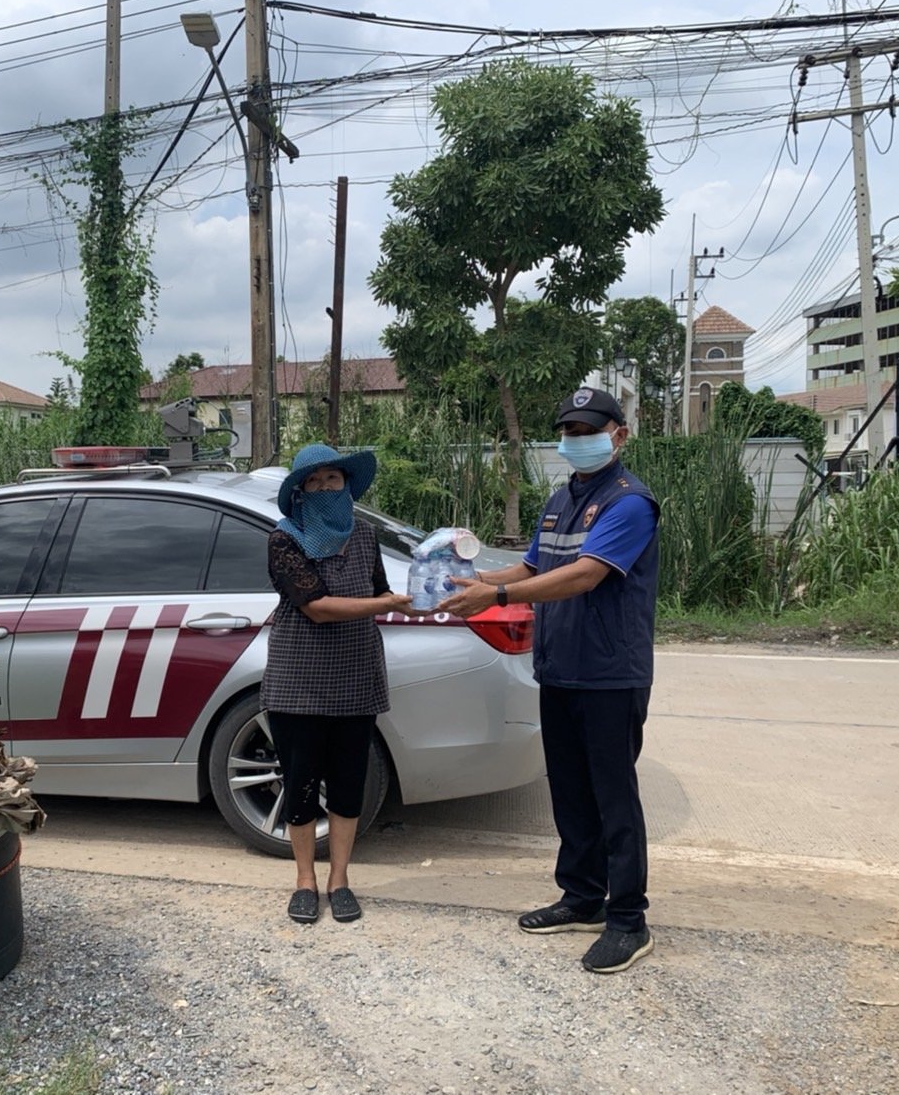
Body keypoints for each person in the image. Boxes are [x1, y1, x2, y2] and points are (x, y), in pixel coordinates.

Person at [437, 386, 660, 974]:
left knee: (614, 798)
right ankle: (583, 898)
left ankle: (628, 919)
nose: (576, 439)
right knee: (570, 791)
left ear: (619, 435)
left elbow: (584, 576)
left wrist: (499, 593)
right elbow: (534, 565)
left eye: (589, 430)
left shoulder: (629, 503)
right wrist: (471, 581)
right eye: (570, 429)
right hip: (560, 667)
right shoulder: (561, 499)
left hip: (611, 674)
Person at [261, 443, 417, 925]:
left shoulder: (366, 537)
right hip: (298, 678)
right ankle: (306, 880)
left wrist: (426, 591)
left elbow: (375, 590)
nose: (326, 488)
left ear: (346, 485)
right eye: (314, 481)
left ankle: (340, 879)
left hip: (356, 673)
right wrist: (388, 603)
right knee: (302, 783)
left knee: (350, 784)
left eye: (333, 479)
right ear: (301, 493)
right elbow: (317, 606)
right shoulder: (284, 539)